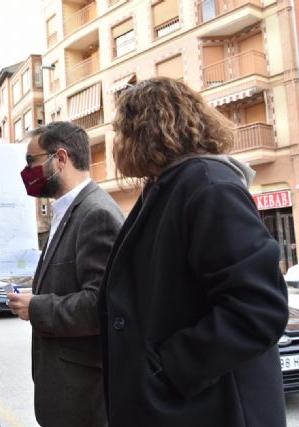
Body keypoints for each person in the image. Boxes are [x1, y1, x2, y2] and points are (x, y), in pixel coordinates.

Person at [100, 77, 289, 426]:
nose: (117, 146)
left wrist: (171, 368)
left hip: (211, 409)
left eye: (120, 133)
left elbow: (258, 307)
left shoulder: (208, 186)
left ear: (145, 130)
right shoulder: (170, 186)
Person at [8, 121, 124, 427]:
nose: (27, 171)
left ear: (60, 159)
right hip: (65, 392)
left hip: (82, 399)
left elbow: (100, 304)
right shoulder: (67, 211)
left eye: (31, 161)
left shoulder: (95, 213)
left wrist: (36, 306)